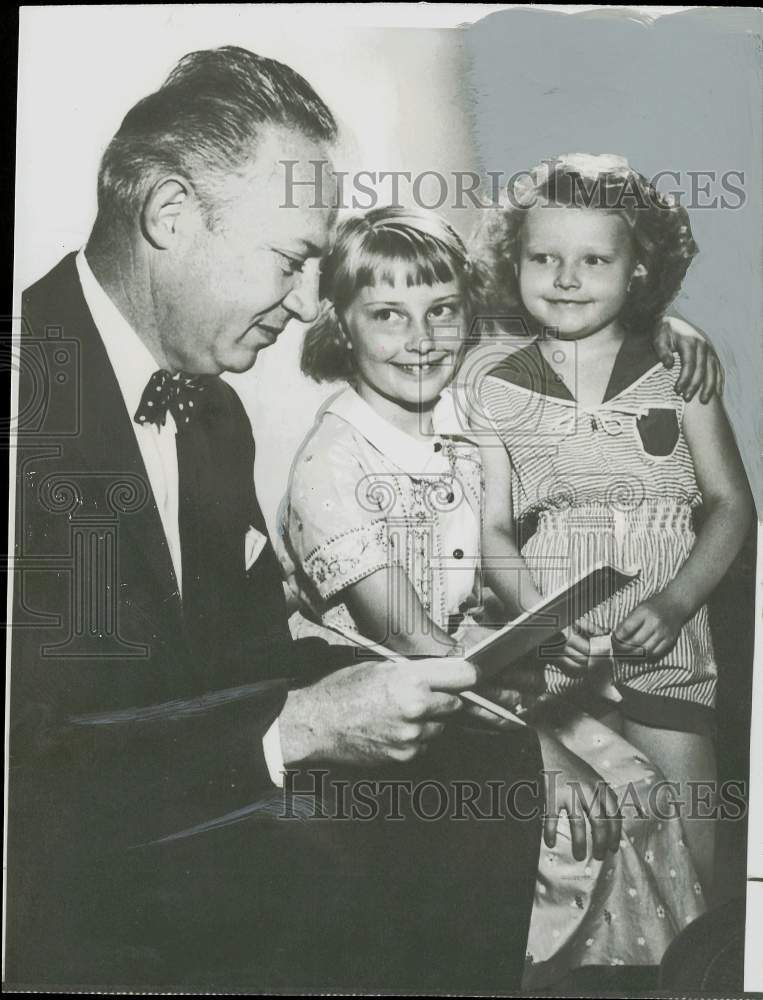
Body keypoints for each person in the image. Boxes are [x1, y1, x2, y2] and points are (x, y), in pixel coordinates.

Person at [7, 47, 612, 994]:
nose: (302, 307)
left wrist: (408, 695)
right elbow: (30, 777)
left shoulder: (211, 410)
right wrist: (296, 729)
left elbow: (246, 656)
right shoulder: (22, 398)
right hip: (70, 895)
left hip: (200, 827)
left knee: (482, 760)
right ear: (169, 215)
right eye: (291, 262)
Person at [281, 205, 715, 987]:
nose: (420, 339)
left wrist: (672, 331)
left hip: (472, 688)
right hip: (385, 722)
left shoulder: (464, 411)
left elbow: (573, 318)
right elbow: (414, 643)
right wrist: (539, 757)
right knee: (567, 826)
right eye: (386, 315)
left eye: (441, 310)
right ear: (340, 325)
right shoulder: (331, 464)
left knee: (639, 792)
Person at [471, 154, 754, 897]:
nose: (566, 278)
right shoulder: (496, 386)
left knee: (695, 875)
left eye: (594, 259)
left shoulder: (677, 371)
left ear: (637, 269)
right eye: (544, 258)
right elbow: (493, 530)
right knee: (586, 880)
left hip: (664, 649)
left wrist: (672, 604)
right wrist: (537, 618)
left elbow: (732, 507)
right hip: (555, 661)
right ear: (516, 264)